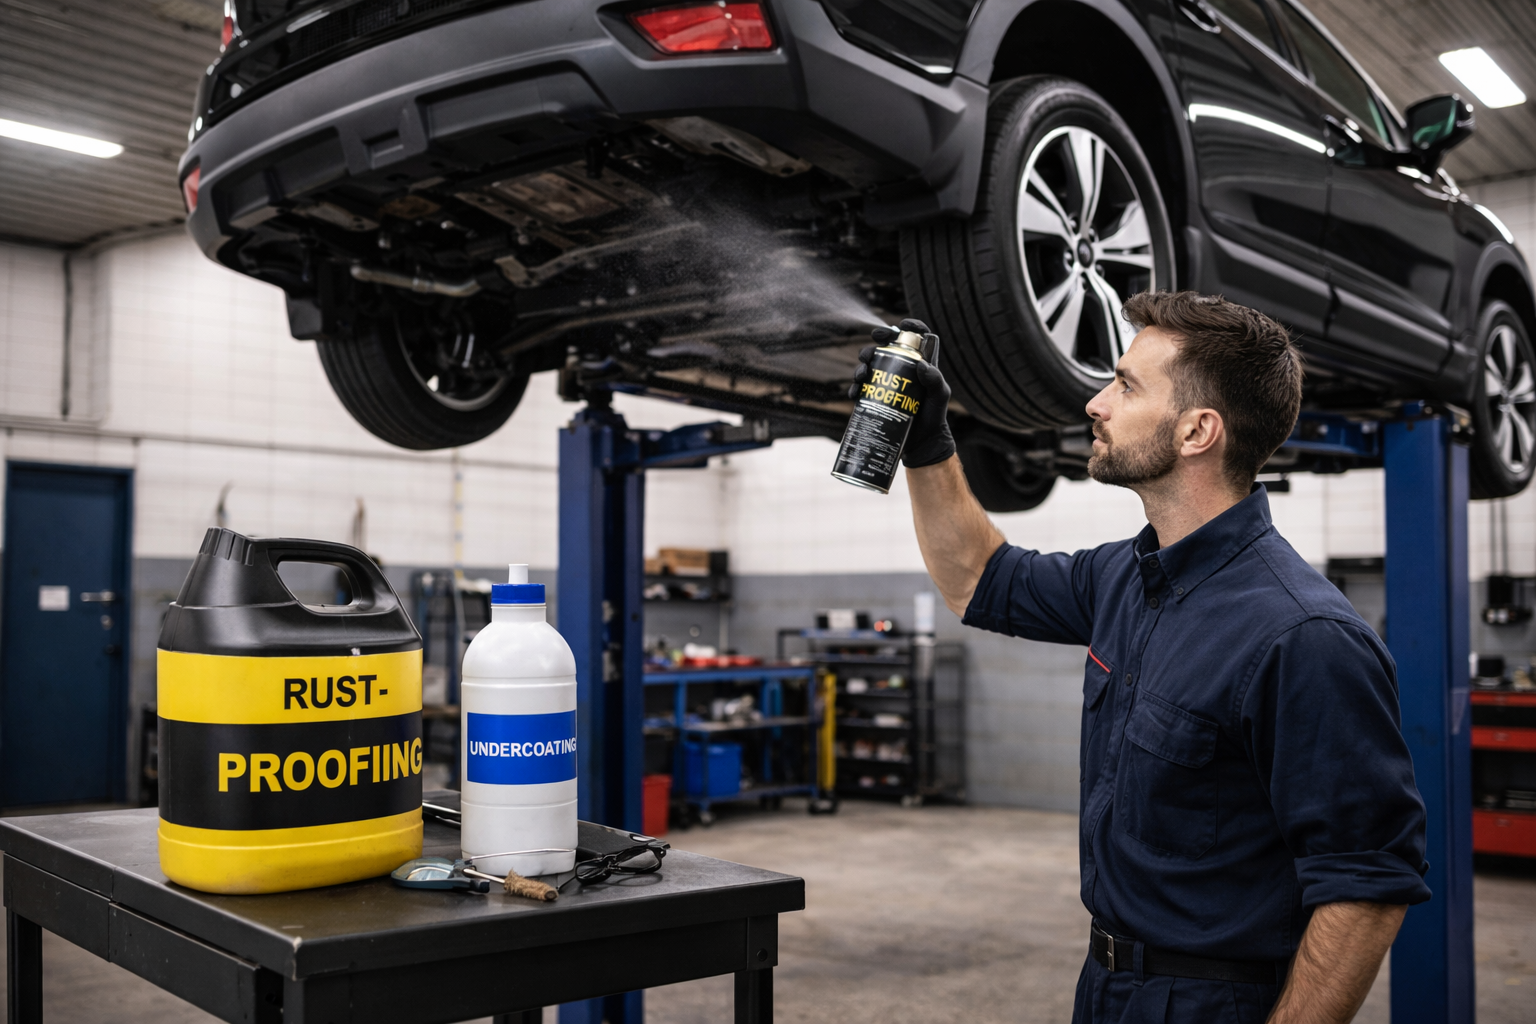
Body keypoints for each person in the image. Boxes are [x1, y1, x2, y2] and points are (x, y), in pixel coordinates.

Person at [854, 294, 1430, 1023]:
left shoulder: (1303, 635)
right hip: (1107, 983)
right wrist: (929, 442)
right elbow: (977, 579)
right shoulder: (1125, 576)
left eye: (1125, 385)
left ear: (1197, 431)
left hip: (1214, 1001)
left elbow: (1367, 885)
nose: (1097, 403)